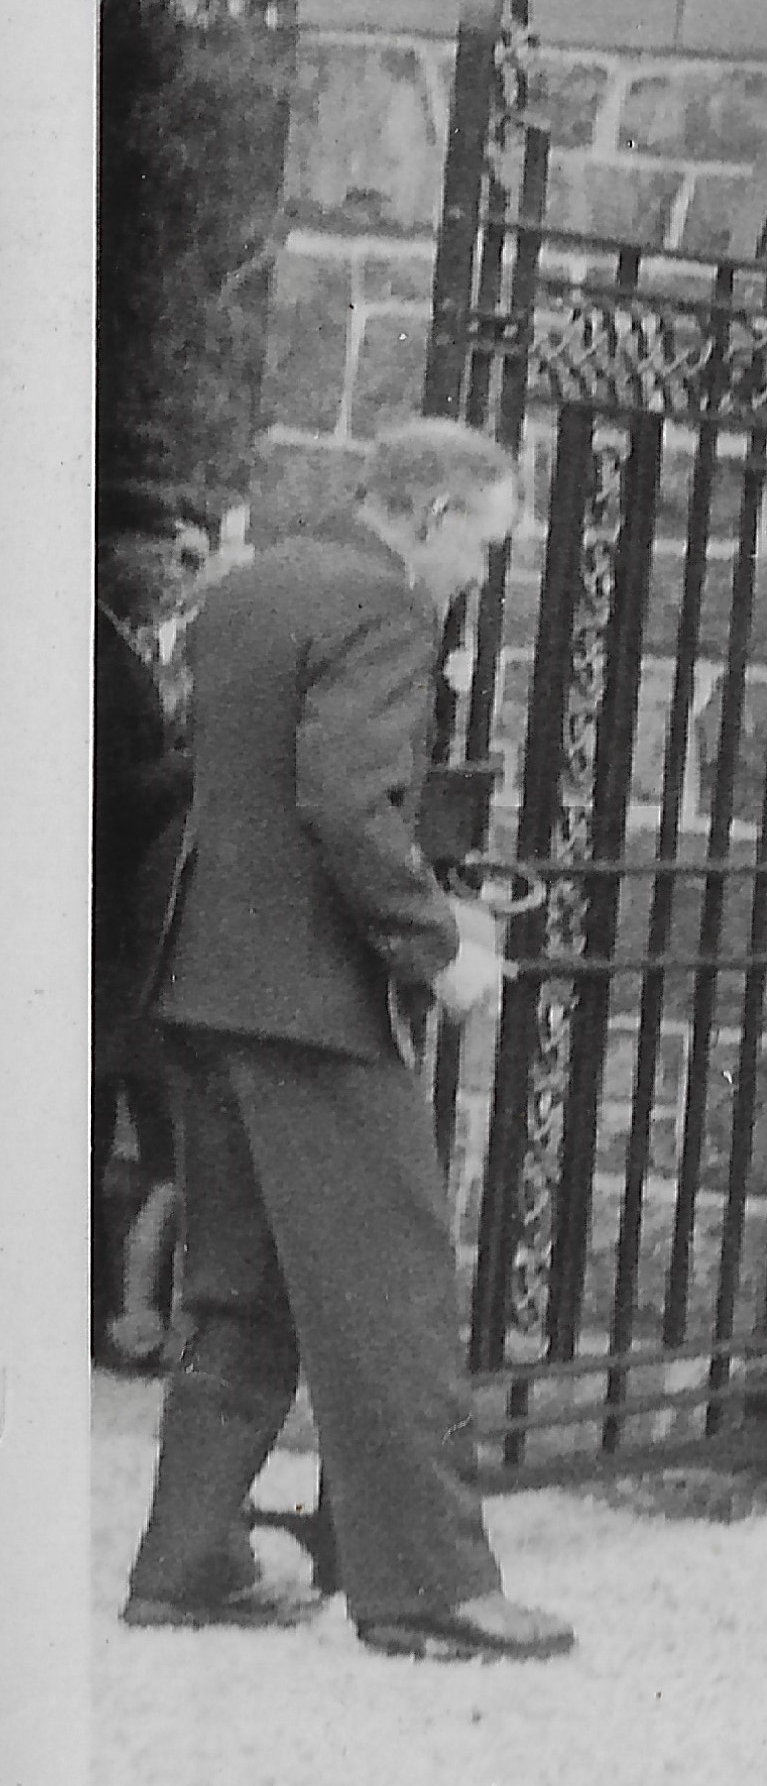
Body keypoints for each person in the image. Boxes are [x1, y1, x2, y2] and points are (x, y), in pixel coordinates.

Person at [123, 417, 565, 1660]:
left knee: (238, 1288)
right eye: (482, 545)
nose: (480, 573)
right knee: (395, 1292)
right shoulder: (384, 610)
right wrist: (444, 948)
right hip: (315, 1008)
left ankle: (188, 1557)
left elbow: (242, 789)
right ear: (431, 517)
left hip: (207, 987)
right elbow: (342, 805)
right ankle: (429, 1587)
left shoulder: (252, 589)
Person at [94, 489, 202, 1366]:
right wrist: (195, 766)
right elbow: (108, 798)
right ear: (111, 548)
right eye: (162, 552)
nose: (173, 573)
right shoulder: (91, 652)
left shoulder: (125, 648)